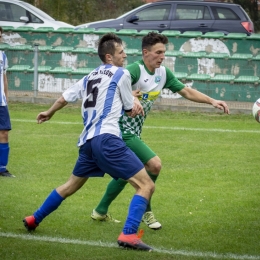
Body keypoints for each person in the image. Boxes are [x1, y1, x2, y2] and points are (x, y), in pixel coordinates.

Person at [23, 33, 154, 251]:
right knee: (146, 184)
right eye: (121, 52)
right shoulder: (121, 74)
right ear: (109, 57)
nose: (125, 56)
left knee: (70, 186)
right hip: (107, 140)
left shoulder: (89, 77)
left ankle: (34, 219)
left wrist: (49, 112)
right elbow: (130, 108)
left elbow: (63, 98)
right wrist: (134, 103)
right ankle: (129, 234)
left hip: (88, 143)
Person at [91, 32, 230, 230]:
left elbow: (186, 91)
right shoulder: (134, 70)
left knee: (126, 175)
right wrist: (130, 95)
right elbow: (109, 87)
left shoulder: (162, 73)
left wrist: (212, 101)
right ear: (145, 52)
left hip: (134, 132)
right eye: (158, 52)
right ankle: (145, 211)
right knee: (154, 165)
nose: (162, 56)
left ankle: (100, 211)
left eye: (164, 52)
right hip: (120, 130)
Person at [0, 26, 14, 177]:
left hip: (0, 102)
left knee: (4, 132)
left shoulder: (2, 56)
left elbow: (4, 78)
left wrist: (6, 96)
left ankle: (2, 168)